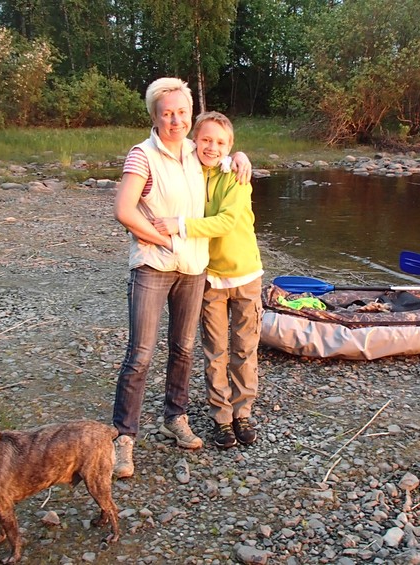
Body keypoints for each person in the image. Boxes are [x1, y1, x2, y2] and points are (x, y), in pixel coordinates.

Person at [111, 79, 250, 479]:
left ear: (190, 115)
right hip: (153, 266)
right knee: (140, 354)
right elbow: (124, 210)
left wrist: (240, 156)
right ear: (155, 116)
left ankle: (175, 417)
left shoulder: (194, 152)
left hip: (193, 268)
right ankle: (123, 437)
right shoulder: (142, 155)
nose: (175, 120)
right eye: (167, 113)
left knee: (183, 348)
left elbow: (220, 150)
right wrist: (163, 240)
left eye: (182, 113)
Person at [152, 112, 263, 449]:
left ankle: (242, 412)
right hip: (210, 277)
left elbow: (226, 221)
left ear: (230, 146)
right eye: (206, 140)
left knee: (244, 348)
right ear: (194, 142)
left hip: (246, 274)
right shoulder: (190, 173)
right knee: (215, 351)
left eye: (221, 143)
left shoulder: (237, 176)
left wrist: (179, 225)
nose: (212, 147)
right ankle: (222, 417)